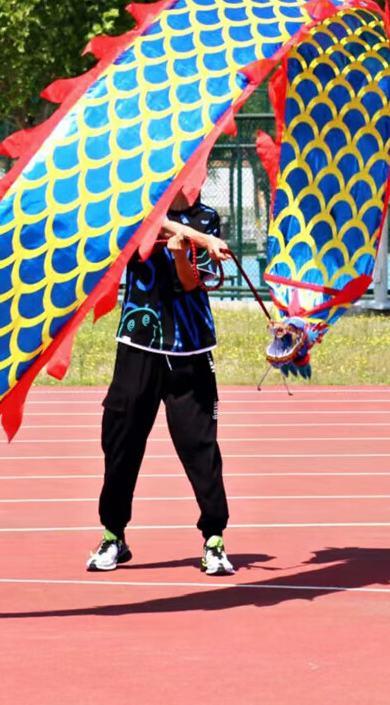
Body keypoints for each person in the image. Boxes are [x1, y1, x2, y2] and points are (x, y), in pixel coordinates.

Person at [86, 190, 235, 575]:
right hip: (139, 339)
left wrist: (184, 252)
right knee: (121, 440)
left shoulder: (207, 218)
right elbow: (142, 221)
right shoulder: (139, 205)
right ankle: (113, 536)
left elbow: (190, 284)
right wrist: (200, 240)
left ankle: (214, 539)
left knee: (200, 445)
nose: (190, 180)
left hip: (191, 346)